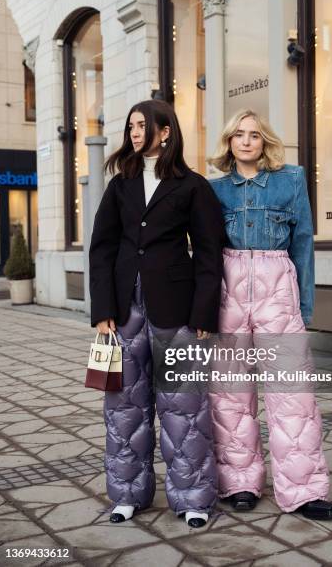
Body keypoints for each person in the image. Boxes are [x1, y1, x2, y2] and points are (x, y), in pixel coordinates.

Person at [89, 99, 225, 528]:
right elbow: (102, 248)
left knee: (185, 407)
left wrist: (204, 314)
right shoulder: (120, 185)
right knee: (124, 407)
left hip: (178, 312)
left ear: (165, 132)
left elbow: (208, 253)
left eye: (142, 125)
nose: (133, 132)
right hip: (124, 311)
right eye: (130, 125)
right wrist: (102, 310)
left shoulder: (192, 186)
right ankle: (127, 495)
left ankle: (194, 500)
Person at [208, 108, 332, 520]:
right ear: (229, 142)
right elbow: (203, 252)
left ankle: (303, 490)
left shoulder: (291, 180)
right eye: (239, 134)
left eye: (254, 134)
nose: (247, 141)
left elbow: (303, 243)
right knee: (230, 395)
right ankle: (239, 483)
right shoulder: (212, 190)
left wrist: (304, 305)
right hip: (228, 290)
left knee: (293, 395)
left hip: (277, 286)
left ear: (265, 141)